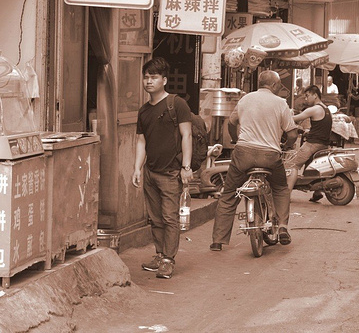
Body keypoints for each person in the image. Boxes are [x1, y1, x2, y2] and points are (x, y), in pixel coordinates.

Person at [210, 70, 298, 251]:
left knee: (229, 194)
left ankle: (218, 241)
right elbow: (292, 134)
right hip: (270, 156)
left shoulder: (245, 99)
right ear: (273, 85)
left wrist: (235, 139)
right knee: (280, 189)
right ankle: (282, 227)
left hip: (243, 154)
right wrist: (286, 145)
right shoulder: (280, 103)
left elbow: (231, 123)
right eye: (278, 85)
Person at [132, 57, 193, 279]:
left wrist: (186, 166)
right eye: (146, 77)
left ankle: (168, 259)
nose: (149, 81)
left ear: (164, 80)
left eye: (154, 77)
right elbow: (141, 141)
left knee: (169, 218)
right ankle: (159, 254)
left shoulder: (177, 104)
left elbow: (187, 135)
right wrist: (137, 168)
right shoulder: (143, 111)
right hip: (151, 172)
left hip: (171, 172)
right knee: (155, 218)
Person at [287, 85, 332, 202]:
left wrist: (284, 115)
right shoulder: (326, 109)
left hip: (313, 144)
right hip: (323, 144)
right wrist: (308, 131)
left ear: (315, 95)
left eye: (307, 96)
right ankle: (317, 192)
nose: (306, 99)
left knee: (293, 165)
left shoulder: (314, 109)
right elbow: (320, 127)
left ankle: (286, 195)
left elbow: (294, 119)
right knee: (314, 167)